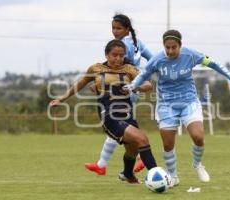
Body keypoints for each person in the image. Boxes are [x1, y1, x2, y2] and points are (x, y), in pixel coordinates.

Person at [124, 30, 230, 186]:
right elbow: (144, 75)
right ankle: (173, 176)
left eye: (174, 47)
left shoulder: (191, 55)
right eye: (167, 47)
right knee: (168, 144)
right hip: (166, 105)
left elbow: (213, 63)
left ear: (180, 45)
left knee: (198, 136)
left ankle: (197, 165)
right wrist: (134, 85)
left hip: (189, 102)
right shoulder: (157, 59)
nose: (170, 51)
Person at [50, 39, 157, 183]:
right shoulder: (96, 69)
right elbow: (80, 83)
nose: (118, 59)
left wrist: (135, 87)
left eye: (121, 55)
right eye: (114, 55)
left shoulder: (129, 69)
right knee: (142, 139)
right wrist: (62, 98)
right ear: (106, 55)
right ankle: (157, 176)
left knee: (132, 150)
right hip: (109, 116)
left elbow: (148, 84)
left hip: (127, 114)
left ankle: (127, 174)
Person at [85, 14, 152, 175]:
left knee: (118, 126)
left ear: (127, 29)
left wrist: (99, 83)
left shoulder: (121, 46)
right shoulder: (137, 42)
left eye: (118, 28)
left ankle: (138, 158)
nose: (115, 31)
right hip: (131, 89)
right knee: (122, 127)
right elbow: (152, 59)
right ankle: (104, 164)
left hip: (121, 91)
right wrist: (143, 76)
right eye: (113, 28)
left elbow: (116, 70)